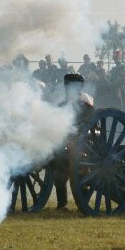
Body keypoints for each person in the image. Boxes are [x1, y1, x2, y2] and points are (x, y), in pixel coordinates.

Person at [52, 73, 95, 210]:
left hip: (86, 146)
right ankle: (62, 204)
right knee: (58, 170)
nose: (67, 89)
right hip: (66, 145)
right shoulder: (62, 106)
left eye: (69, 86)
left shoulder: (86, 104)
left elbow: (89, 125)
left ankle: (83, 201)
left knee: (80, 174)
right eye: (66, 86)